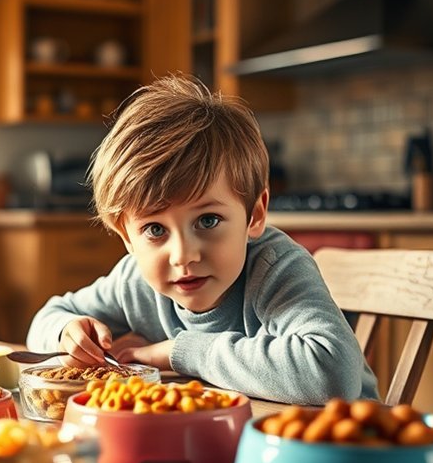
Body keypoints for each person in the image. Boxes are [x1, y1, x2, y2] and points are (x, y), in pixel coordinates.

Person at [25, 75, 378, 405]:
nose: (183, 255)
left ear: (254, 215)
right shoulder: (134, 281)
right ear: (125, 236)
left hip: (344, 455)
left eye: (208, 220)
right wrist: (68, 334)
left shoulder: (275, 269)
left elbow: (333, 374)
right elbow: (48, 317)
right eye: (154, 230)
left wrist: (179, 352)